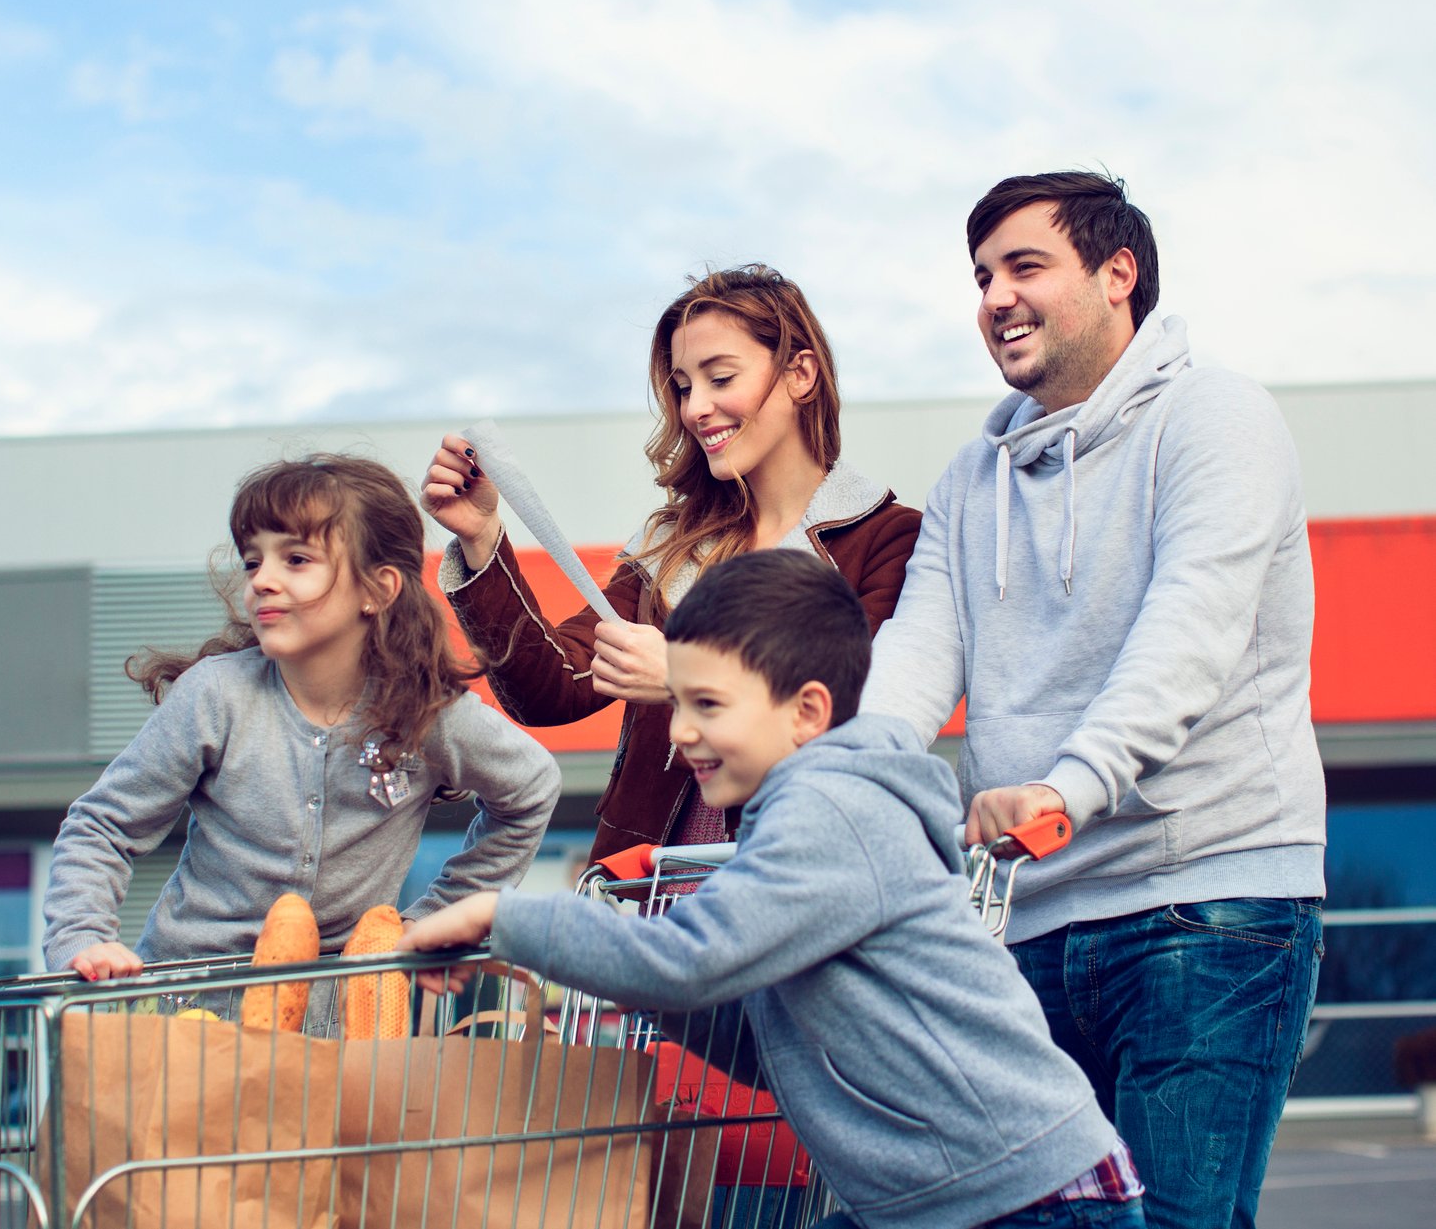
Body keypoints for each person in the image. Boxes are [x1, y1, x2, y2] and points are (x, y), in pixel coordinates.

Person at [403, 551, 1144, 1229]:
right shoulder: (805, 816)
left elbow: (691, 959)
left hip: (1026, 1198)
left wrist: (501, 913)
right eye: (678, 703)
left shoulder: (831, 811)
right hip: (957, 1194)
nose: (680, 732)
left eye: (708, 705)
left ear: (807, 712)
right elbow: (776, 1046)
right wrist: (656, 992)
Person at [860, 171, 1325, 1229]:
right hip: (1026, 922)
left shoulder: (1217, 419)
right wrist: (847, 782)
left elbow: (1188, 635)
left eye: (1024, 265)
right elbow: (914, 656)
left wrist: (1067, 787)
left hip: (1203, 903)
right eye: (980, 276)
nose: (994, 296)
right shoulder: (968, 482)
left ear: (1118, 275)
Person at [423, 264, 920, 862]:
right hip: (647, 890)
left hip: (799, 876)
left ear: (800, 374)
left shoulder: (890, 538)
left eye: (720, 378)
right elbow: (553, 688)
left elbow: (862, 718)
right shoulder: (671, 541)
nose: (695, 408)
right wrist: (482, 537)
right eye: (684, 386)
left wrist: (686, 677)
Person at [41, 454, 562, 999]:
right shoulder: (216, 696)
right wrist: (82, 939)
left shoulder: (429, 714)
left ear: (378, 589)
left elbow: (532, 789)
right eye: (251, 562)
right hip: (185, 1013)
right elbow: (102, 826)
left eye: (296, 559)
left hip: (331, 1029)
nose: (262, 580)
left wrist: (434, 920)